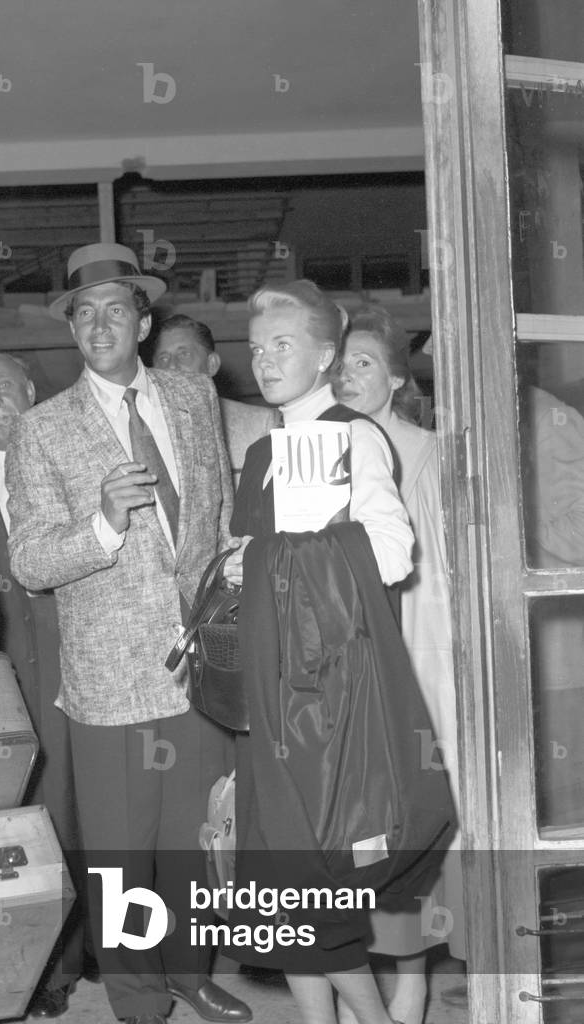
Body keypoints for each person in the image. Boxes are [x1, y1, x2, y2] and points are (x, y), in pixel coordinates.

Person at [6, 243, 252, 1024]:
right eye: (84, 312)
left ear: (143, 322)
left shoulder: (189, 398)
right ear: (72, 328)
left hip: (202, 667)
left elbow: (212, 517)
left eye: (116, 309)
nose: (99, 324)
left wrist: (235, 570)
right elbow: (31, 561)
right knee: (121, 854)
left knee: (196, 837)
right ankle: (138, 996)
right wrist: (103, 524)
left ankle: (190, 971)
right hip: (111, 681)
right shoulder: (43, 430)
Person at [223, 281, 415, 1024]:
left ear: (326, 355)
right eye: (257, 348)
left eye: (284, 346)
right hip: (265, 695)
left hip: (325, 706)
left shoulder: (353, 437)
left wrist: (272, 559)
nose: (265, 362)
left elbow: (394, 553)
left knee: (314, 893)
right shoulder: (264, 451)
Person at [334, 305, 463, 1024]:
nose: (350, 376)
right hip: (345, 663)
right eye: (342, 363)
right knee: (356, 832)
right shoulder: (316, 451)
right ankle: (362, 980)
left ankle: (410, 981)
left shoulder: (432, 452)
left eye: (365, 364)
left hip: (416, 656)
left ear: (395, 378)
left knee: (412, 825)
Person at [0, 351, 89, 1019]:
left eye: (5, 387)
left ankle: (122, 952)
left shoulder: (79, 467)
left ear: (33, 392)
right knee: (30, 824)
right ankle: (49, 971)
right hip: (2, 682)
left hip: (88, 666)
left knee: (101, 817)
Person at [151, 314, 275, 488]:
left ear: (212, 364)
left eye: (183, 354)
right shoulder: (142, 429)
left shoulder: (260, 425)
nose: (171, 366)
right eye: (163, 358)